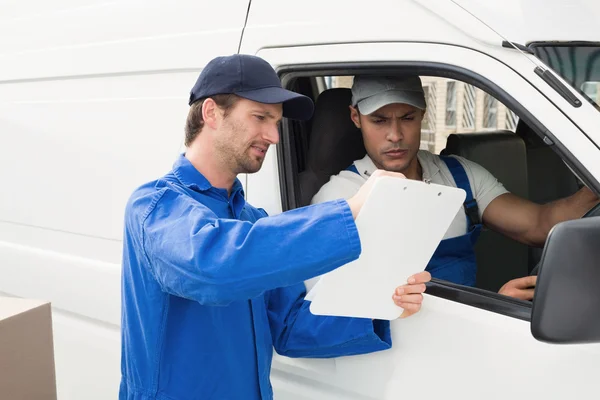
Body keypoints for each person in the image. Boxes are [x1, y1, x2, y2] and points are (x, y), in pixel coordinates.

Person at [119, 55, 430, 400]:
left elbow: (290, 326)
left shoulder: (253, 220)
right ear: (211, 113)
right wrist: (350, 211)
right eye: (260, 118)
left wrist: (383, 310)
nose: (273, 136)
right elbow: (217, 266)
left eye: (276, 122)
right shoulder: (155, 206)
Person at [312, 75, 599, 301]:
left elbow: (539, 224)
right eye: (379, 120)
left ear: (423, 113)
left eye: (407, 118)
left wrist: (594, 187)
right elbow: (335, 308)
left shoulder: (459, 174)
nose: (395, 135)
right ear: (355, 118)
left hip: (464, 339)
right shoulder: (339, 198)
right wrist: (493, 308)